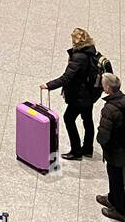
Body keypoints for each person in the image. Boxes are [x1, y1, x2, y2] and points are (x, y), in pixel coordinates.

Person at [42, 28, 101, 161]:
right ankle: (87, 149)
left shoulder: (78, 57)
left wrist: (49, 85)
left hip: (80, 97)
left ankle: (76, 151)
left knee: (69, 118)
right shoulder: (91, 51)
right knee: (87, 120)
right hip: (90, 95)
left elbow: (66, 78)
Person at [95, 73, 125, 222]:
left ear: (108, 88)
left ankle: (120, 211)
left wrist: (101, 142)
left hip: (116, 150)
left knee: (116, 179)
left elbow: (103, 136)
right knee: (114, 177)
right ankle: (112, 199)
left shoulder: (109, 109)